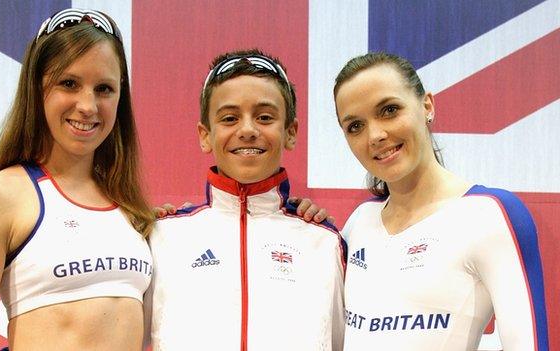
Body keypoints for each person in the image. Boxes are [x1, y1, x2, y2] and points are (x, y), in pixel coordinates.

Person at [0, 8, 155, 350]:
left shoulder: (132, 210)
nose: (87, 105)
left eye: (104, 88)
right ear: (36, 88)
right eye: (69, 84)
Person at [334, 52, 549, 350]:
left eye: (390, 110)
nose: (376, 135)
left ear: (427, 106)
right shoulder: (359, 222)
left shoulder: (489, 214)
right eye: (355, 126)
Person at [144, 49, 346, 350]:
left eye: (265, 117)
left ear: (290, 132)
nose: (248, 130)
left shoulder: (324, 242)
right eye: (229, 118)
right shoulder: (161, 237)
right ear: (205, 135)